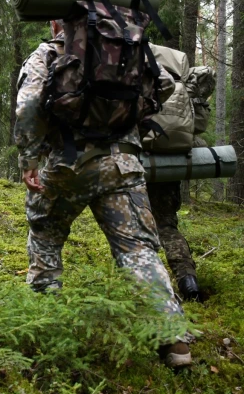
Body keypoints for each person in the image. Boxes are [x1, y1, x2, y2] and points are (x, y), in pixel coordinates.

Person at [15, 19, 190, 368]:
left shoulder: (49, 53)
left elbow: (29, 105)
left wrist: (29, 158)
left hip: (67, 166)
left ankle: (45, 326)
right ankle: (174, 341)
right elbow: (167, 85)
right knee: (138, 250)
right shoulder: (129, 51)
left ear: (56, 22)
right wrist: (128, 119)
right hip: (122, 167)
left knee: (47, 237)